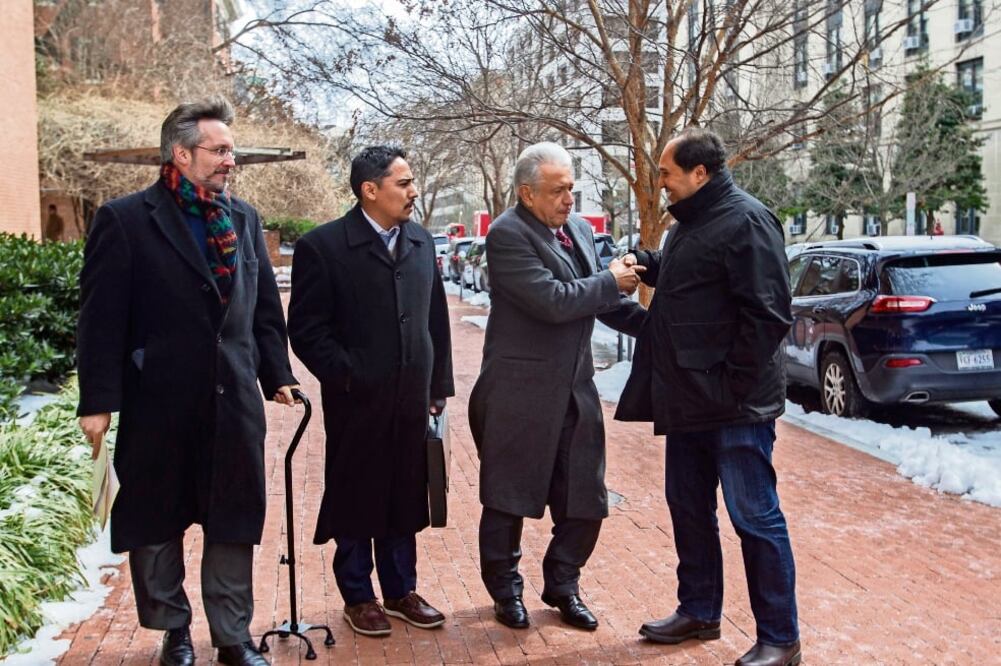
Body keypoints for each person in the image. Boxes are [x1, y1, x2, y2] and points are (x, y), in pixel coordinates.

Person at [77, 97, 298, 666]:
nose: (231, 160)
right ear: (181, 153)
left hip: (233, 402)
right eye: (220, 149)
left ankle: (232, 637)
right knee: (156, 520)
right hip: (159, 400)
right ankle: (173, 630)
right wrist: (98, 401)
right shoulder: (125, 219)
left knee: (233, 520)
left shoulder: (244, 219)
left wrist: (277, 374)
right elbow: (100, 319)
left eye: (232, 150)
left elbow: (264, 311)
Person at [615, 128, 799, 666]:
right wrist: (643, 262)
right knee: (689, 509)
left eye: (667, 174)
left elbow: (767, 317)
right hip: (691, 401)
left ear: (700, 173)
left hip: (734, 406)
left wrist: (729, 387)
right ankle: (699, 611)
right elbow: (688, 279)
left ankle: (781, 639)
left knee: (755, 517)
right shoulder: (692, 223)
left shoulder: (747, 220)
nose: (661, 184)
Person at [468, 142, 647, 632]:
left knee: (587, 499)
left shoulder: (581, 231)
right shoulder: (507, 235)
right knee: (509, 498)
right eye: (558, 190)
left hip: (575, 388)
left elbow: (601, 299)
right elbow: (552, 300)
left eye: (571, 188)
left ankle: (563, 584)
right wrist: (611, 282)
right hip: (517, 391)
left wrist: (658, 330)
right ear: (527, 193)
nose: (569, 199)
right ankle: (506, 591)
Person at [287, 145, 454, 638]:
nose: (413, 191)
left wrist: (437, 385)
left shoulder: (421, 241)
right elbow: (307, 330)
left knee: (406, 493)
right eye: (403, 183)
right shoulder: (324, 246)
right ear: (370, 190)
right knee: (357, 495)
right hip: (356, 402)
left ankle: (401, 591)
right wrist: (349, 375)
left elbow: (436, 321)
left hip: (411, 398)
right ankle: (358, 596)